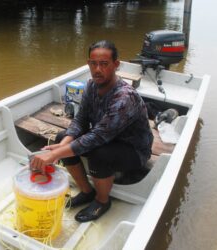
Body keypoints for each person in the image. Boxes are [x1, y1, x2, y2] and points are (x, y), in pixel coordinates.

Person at [30, 40, 153, 223]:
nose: (97, 69)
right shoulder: (90, 86)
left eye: (104, 64)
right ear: (88, 63)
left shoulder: (124, 98)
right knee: (62, 137)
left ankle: (102, 201)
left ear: (115, 65)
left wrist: (55, 154)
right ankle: (87, 191)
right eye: (93, 64)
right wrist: (59, 148)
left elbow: (97, 137)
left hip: (134, 150)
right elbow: (80, 121)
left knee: (98, 153)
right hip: (106, 138)